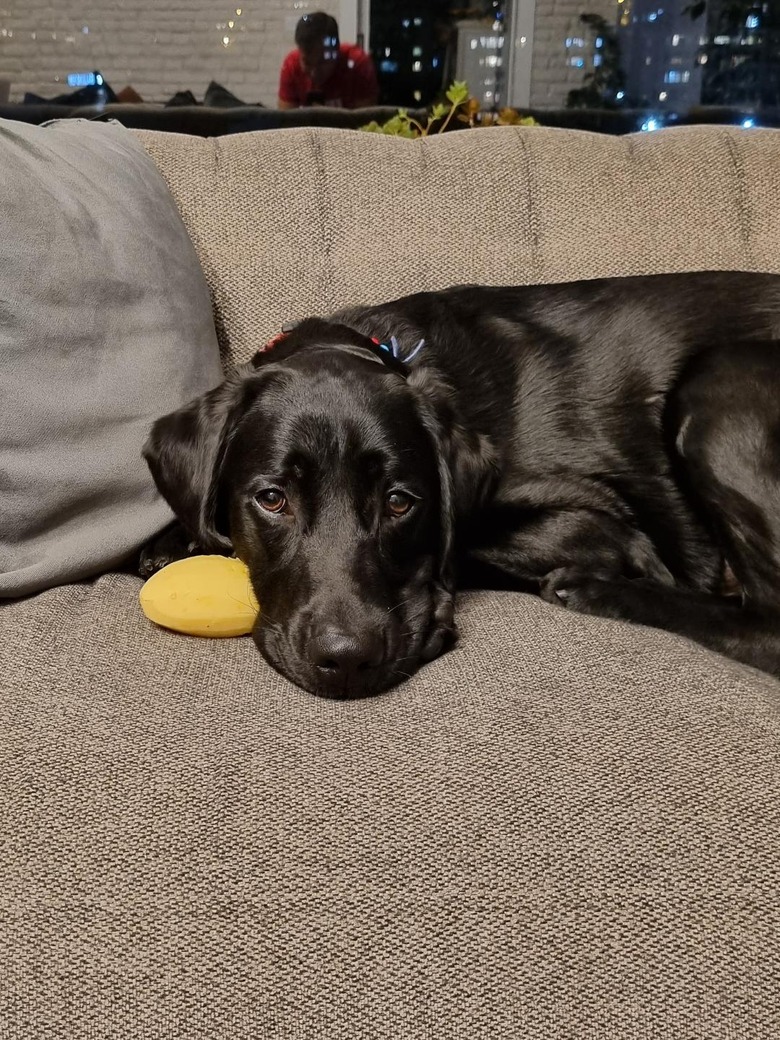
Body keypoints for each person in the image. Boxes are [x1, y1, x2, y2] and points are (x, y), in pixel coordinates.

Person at [278, 12, 378, 109]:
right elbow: (286, 122)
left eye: (322, 62)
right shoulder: (292, 65)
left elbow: (365, 122)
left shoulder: (358, 64)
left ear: (337, 51)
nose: (314, 72)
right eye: (307, 63)